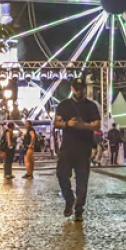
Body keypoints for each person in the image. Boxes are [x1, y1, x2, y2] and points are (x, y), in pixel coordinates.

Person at [54, 77, 101, 222]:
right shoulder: (64, 105)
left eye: (81, 88)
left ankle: (79, 209)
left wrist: (84, 126)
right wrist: (67, 124)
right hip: (67, 146)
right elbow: (56, 122)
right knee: (62, 175)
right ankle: (69, 199)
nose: (79, 91)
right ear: (72, 89)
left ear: (84, 89)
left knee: (82, 181)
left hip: (84, 147)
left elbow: (97, 125)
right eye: (77, 88)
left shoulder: (91, 106)